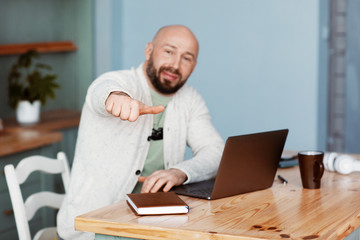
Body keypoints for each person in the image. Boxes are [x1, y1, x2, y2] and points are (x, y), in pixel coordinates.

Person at [57, 25, 224, 240]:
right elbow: (101, 90)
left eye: (186, 58)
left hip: (152, 222)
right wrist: (116, 98)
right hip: (94, 226)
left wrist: (178, 172)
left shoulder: (190, 99)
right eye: (169, 51)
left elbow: (215, 151)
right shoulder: (120, 82)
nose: (174, 65)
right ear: (148, 51)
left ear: (194, 66)